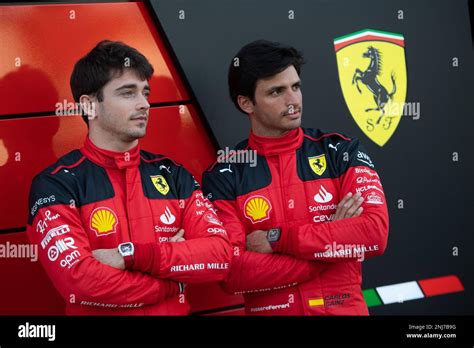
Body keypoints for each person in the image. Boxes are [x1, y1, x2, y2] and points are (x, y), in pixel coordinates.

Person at [26, 40, 232, 315]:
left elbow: (220, 257)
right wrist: (175, 284)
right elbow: (82, 283)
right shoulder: (56, 184)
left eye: (145, 93)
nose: (144, 104)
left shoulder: (172, 175)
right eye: (128, 93)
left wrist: (132, 256)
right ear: (90, 106)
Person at [202, 40, 389, 315]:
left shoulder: (340, 151)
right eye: (276, 91)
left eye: (296, 87)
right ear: (246, 103)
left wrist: (277, 240)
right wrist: (329, 252)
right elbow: (231, 273)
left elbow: (373, 234)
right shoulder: (224, 175)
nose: (293, 101)